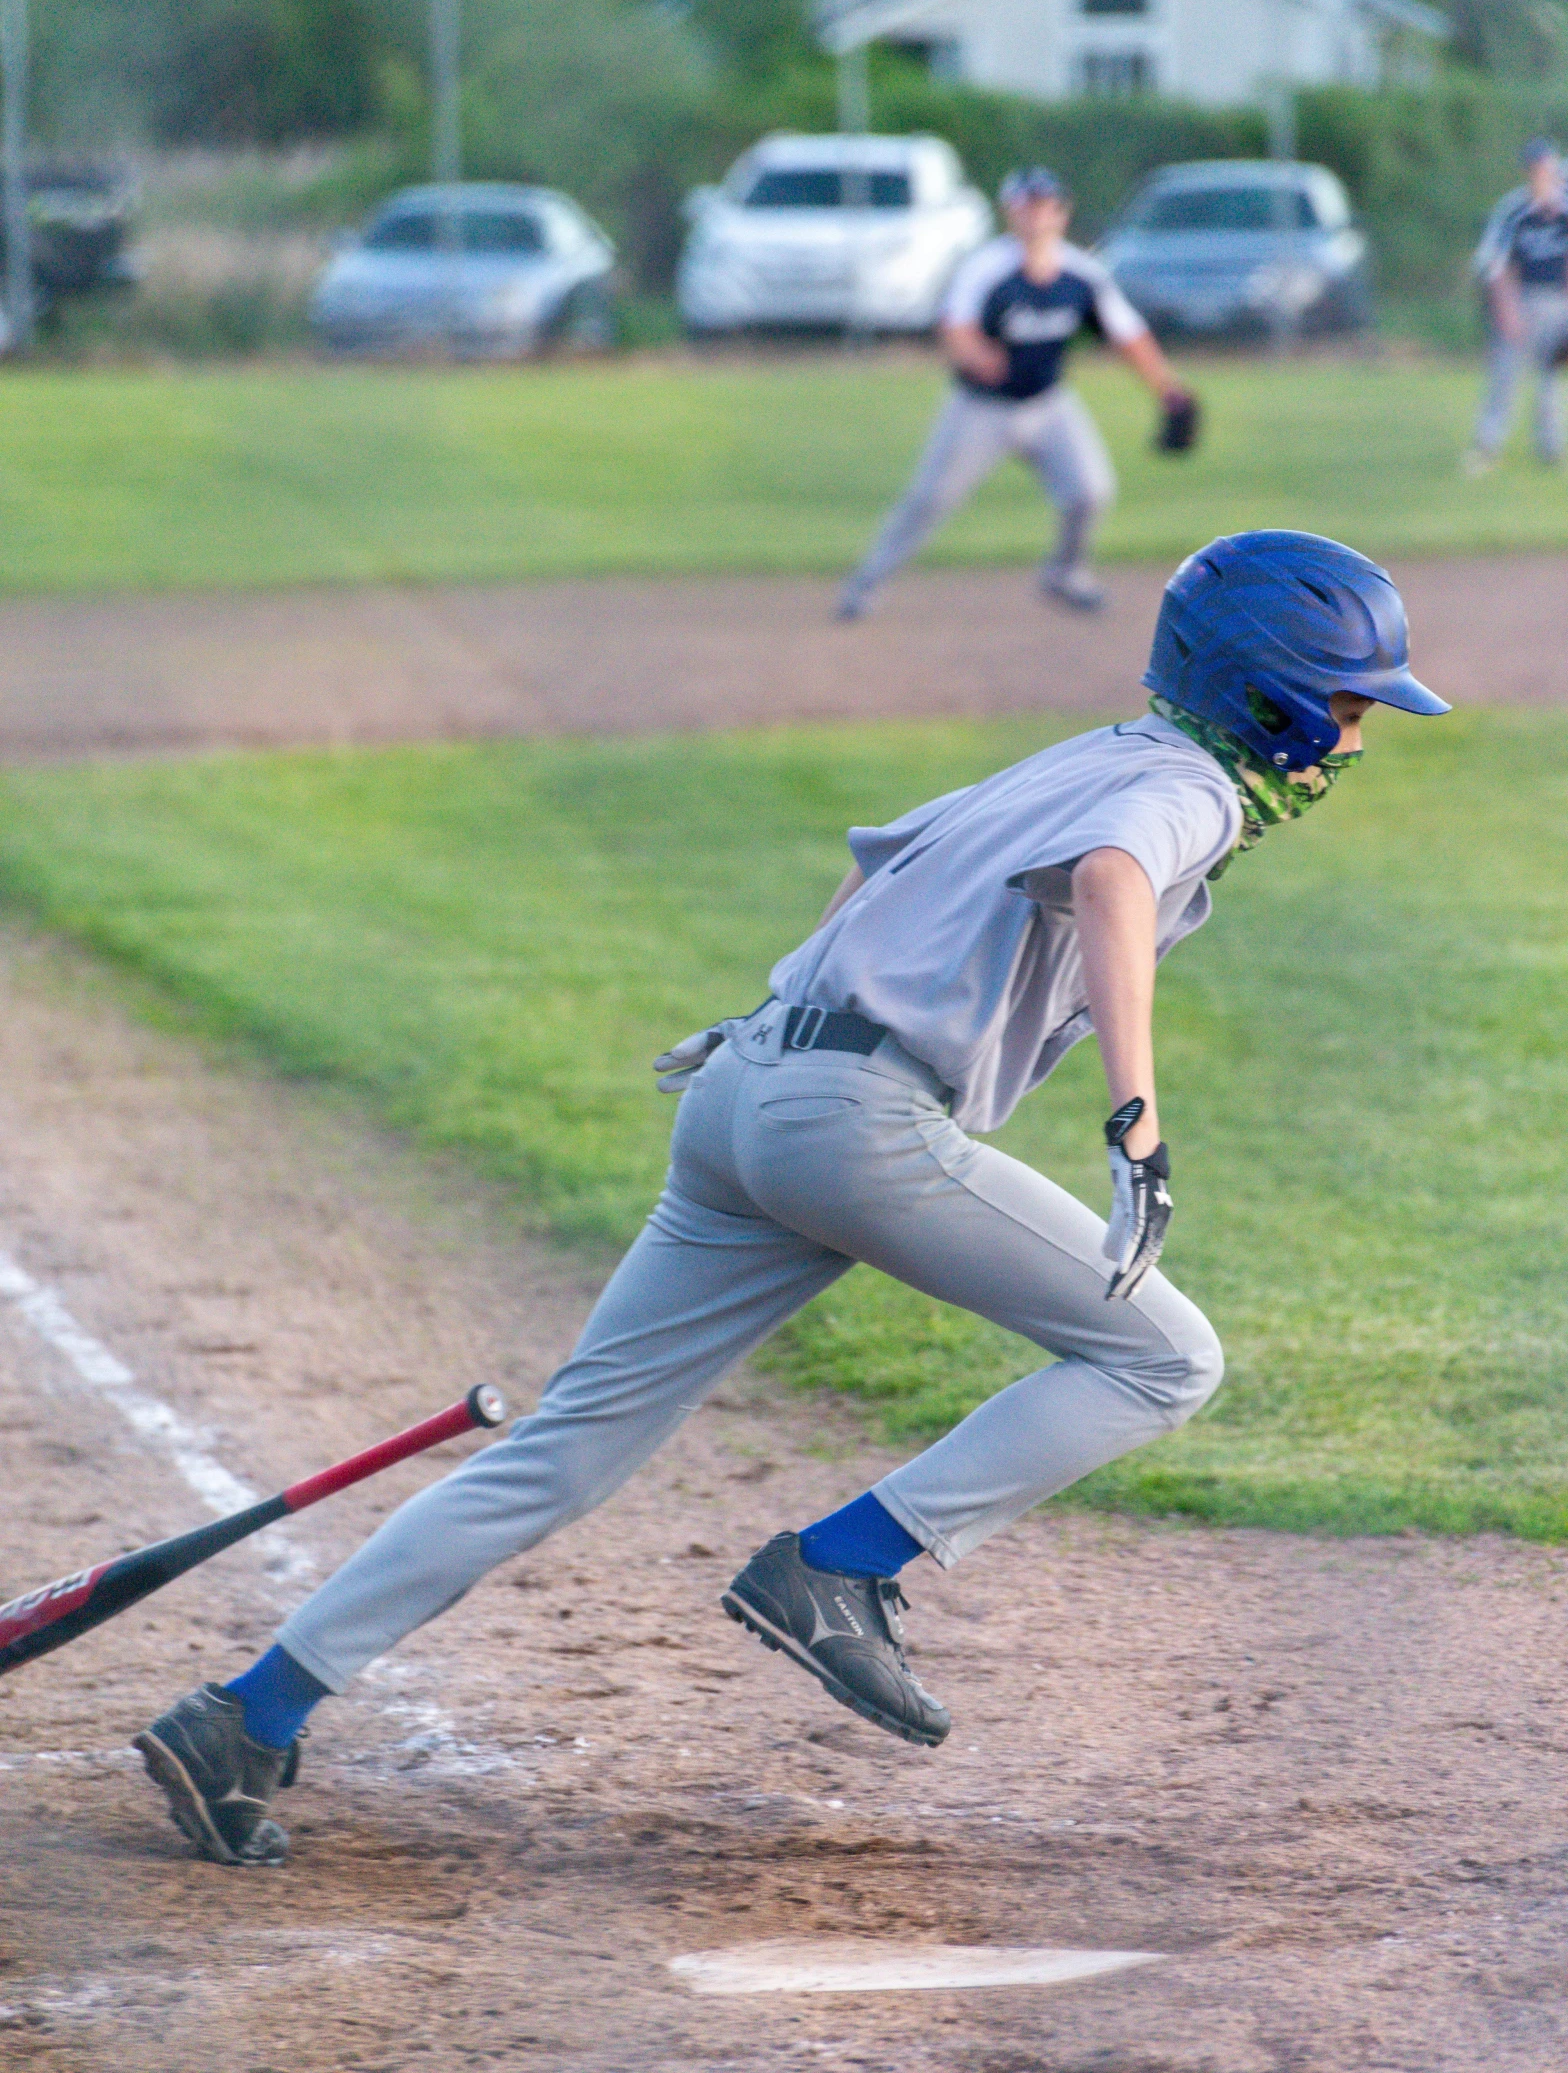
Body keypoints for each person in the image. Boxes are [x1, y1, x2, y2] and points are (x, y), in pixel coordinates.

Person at [132, 530, 1448, 1867]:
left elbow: (878, 865)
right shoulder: (1189, 791)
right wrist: (1138, 1117)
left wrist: (792, 1013)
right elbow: (1113, 878)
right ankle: (843, 1567)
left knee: (562, 1451)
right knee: (1167, 1357)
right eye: (1348, 704)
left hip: (746, 1085)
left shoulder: (1088, 751)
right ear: (1267, 693)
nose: (1356, 738)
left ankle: (248, 1715)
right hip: (855, 1127)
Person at [835, 166, 1196, 621]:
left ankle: (1065, 575)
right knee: (929, 500)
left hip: (1048, 404)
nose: (1036, 215)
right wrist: (976, 354)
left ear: (1062, 213)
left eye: (1045, 205)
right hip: (980, 410)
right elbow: (955, 324)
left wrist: (1168, 390)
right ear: (1010, 213)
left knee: (1090, 492)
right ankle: (864, 586)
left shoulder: (1082, 275)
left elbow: (1129, 336)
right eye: (1026, 205)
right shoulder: (988, 267)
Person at [1465, 135, 1568, 475]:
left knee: (1550, 379)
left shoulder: (1564, 207)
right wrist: (1507, 311)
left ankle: (1550, 449)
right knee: (1505, 376)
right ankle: (1487, 446)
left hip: (1559, 301)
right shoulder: (1515, 210)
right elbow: (1495, 265)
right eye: (1536, 169)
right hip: (1522, 299)